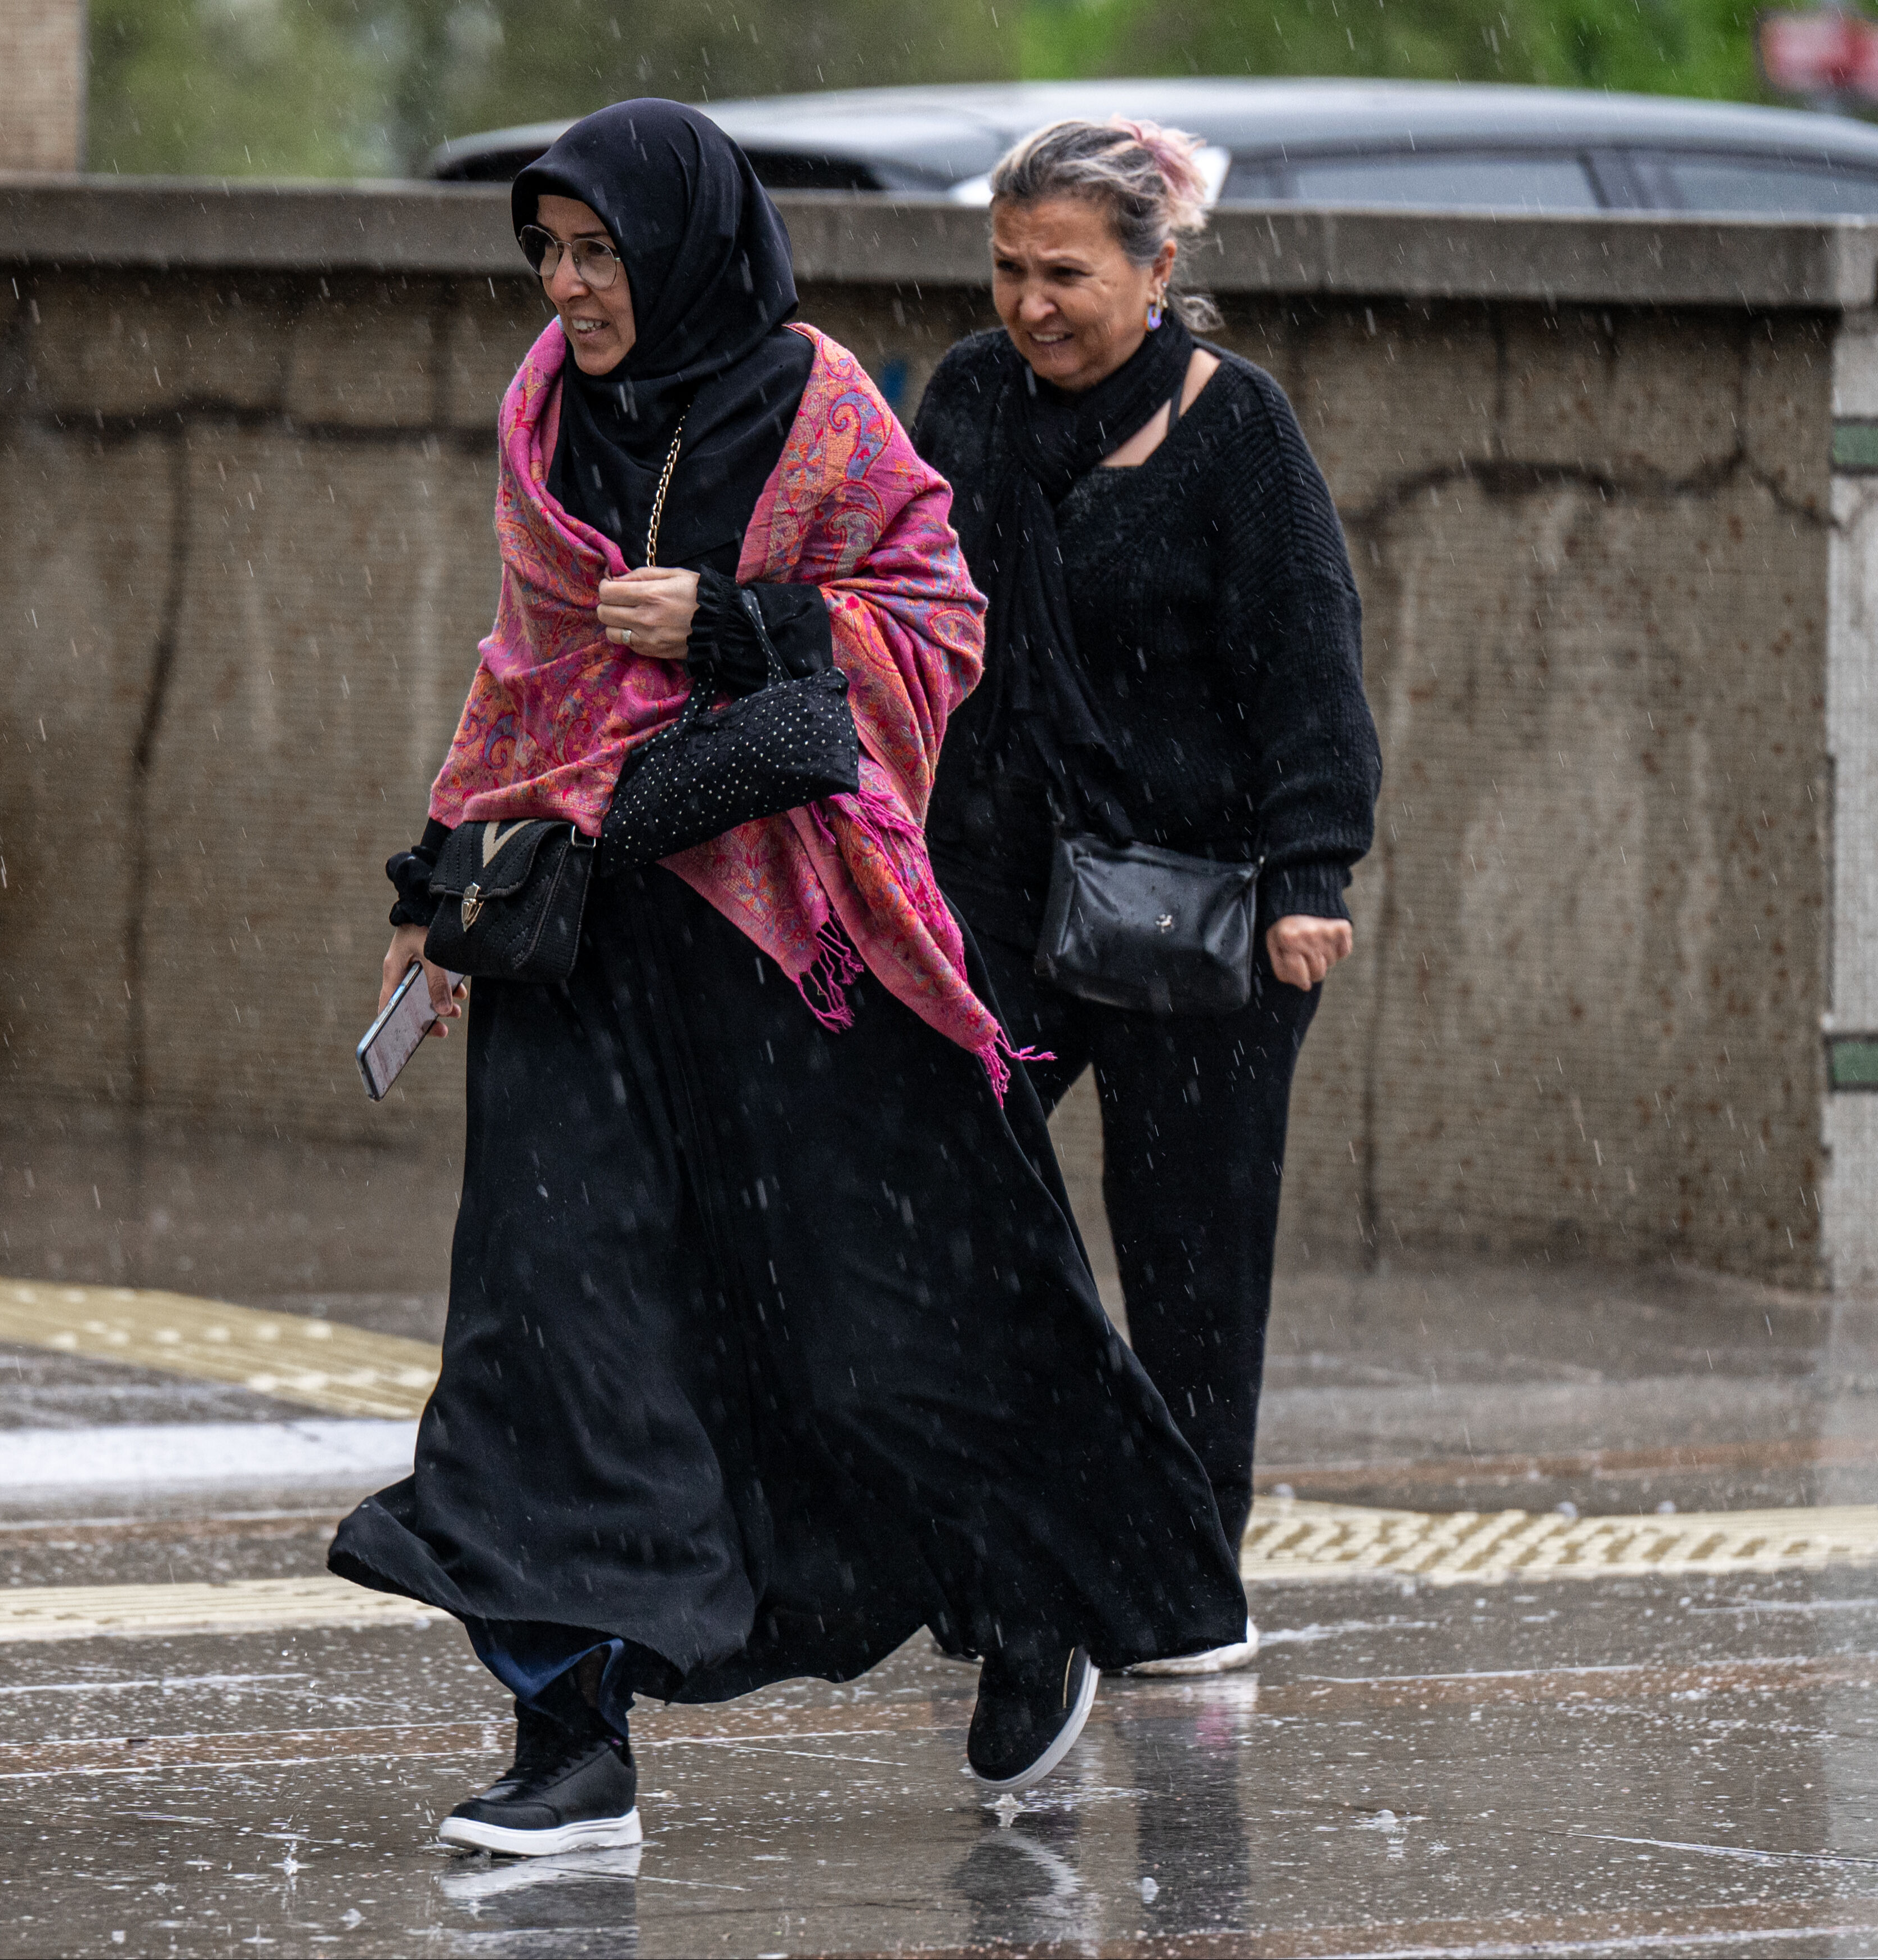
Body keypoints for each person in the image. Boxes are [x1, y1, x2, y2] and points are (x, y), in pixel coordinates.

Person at [328, 99, 1245, 1858]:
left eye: (599, 254)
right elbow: (526, 671)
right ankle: (570, 1734)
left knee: (861, 1339)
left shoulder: (816, 403)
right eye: (547, 254)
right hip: (582, 950)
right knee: (552, 1330)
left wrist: (735, 624)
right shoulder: (545, 414)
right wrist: (436, 882)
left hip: (789, 952)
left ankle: (1019, 1591)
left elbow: (934, 620)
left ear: (683, 251)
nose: (568, 287)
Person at [914, 118, 1381, 1676]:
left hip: (1207, 909)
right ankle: (1007, 1544)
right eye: (1007, 269)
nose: (1029, 304)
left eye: (1065, 273)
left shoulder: (1236, 426)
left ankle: (1188, 1585)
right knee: (945, 1186)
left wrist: (1310, 875)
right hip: (1000, 889)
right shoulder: (968, 397)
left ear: (1158, 268)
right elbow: (899, 601)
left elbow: (1309, 663)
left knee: (1193, 1261)